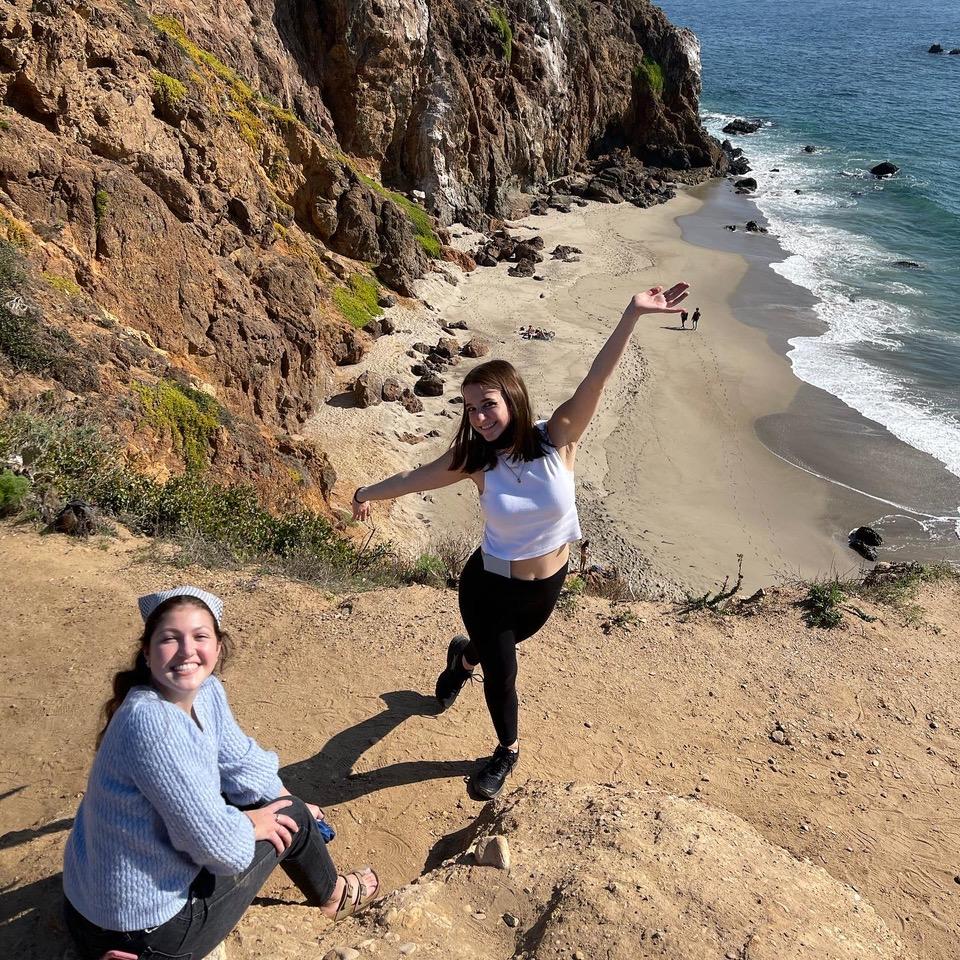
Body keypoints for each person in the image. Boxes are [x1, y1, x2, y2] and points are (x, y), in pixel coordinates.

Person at [352, 284, 688, 800]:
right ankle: (506, 750)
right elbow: (413, 478)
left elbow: (596, 379)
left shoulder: (558, 438)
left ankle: (463, 658)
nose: (478, 417)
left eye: (487, 404)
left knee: (494, 651)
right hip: (489, 587)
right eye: (470, 408)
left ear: (512, 399)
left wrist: (632, 314)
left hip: (545, 590)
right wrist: (365, 493)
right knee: (503, 672)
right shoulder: (476, 461)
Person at [62, 586, 379, 960]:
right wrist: (255, 822)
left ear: (217, 646)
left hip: (99, 905)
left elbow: (240, 762)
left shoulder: (203, 692)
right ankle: (334, 896)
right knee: (291, 817)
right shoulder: (153, 725)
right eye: (170, 638)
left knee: (285, 805)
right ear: (147, 651)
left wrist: (281, 797)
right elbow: (221, 852)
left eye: (200, 637)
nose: (187, 650)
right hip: (145, 935)